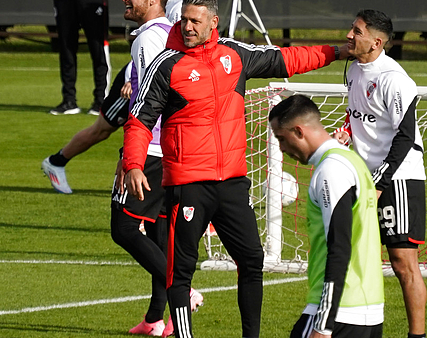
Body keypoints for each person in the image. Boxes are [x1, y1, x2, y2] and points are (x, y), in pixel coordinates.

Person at [122, 1, 347, 336]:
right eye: (184, 20)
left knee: (252, 260)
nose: (188, 27)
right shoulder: (166, 65)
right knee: (180, 272)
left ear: (214, 22)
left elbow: (286, 59)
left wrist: (335, 51)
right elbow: (139, 121)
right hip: (187, 185)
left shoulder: (235, 55)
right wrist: (133, 165)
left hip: (232, 183)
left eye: (195, 21)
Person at [333, 9, 427, 338]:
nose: (348, 35)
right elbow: (358, 113)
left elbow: (405, 136)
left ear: (376, 41)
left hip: (399, 178)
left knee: (402, 262)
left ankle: (418, 335)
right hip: (366, 177)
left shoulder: (394, 79)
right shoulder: (354, 71)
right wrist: (345, 132)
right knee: (357, 258)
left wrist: (380, 183)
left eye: (356, 31)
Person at [269, 95, 384, 338]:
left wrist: (323, 324)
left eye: (282, 138)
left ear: (299, 131)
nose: (281, 147)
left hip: (340, 313)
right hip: (368, 309)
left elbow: (339, 247)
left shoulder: (331, 170)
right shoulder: (353, 161)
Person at [41, 0, 183, 194]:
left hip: (153, 81)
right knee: (101, 129)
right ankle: (56, 162)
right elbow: (155, 50)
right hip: (135, 82)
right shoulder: (168, 12)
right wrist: (135, 77)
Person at [50, 0, 111, 115]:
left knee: (98, 49)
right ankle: (69, 101)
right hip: (66, 3)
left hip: (91, 3)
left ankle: (101, 100)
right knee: (66, 49)